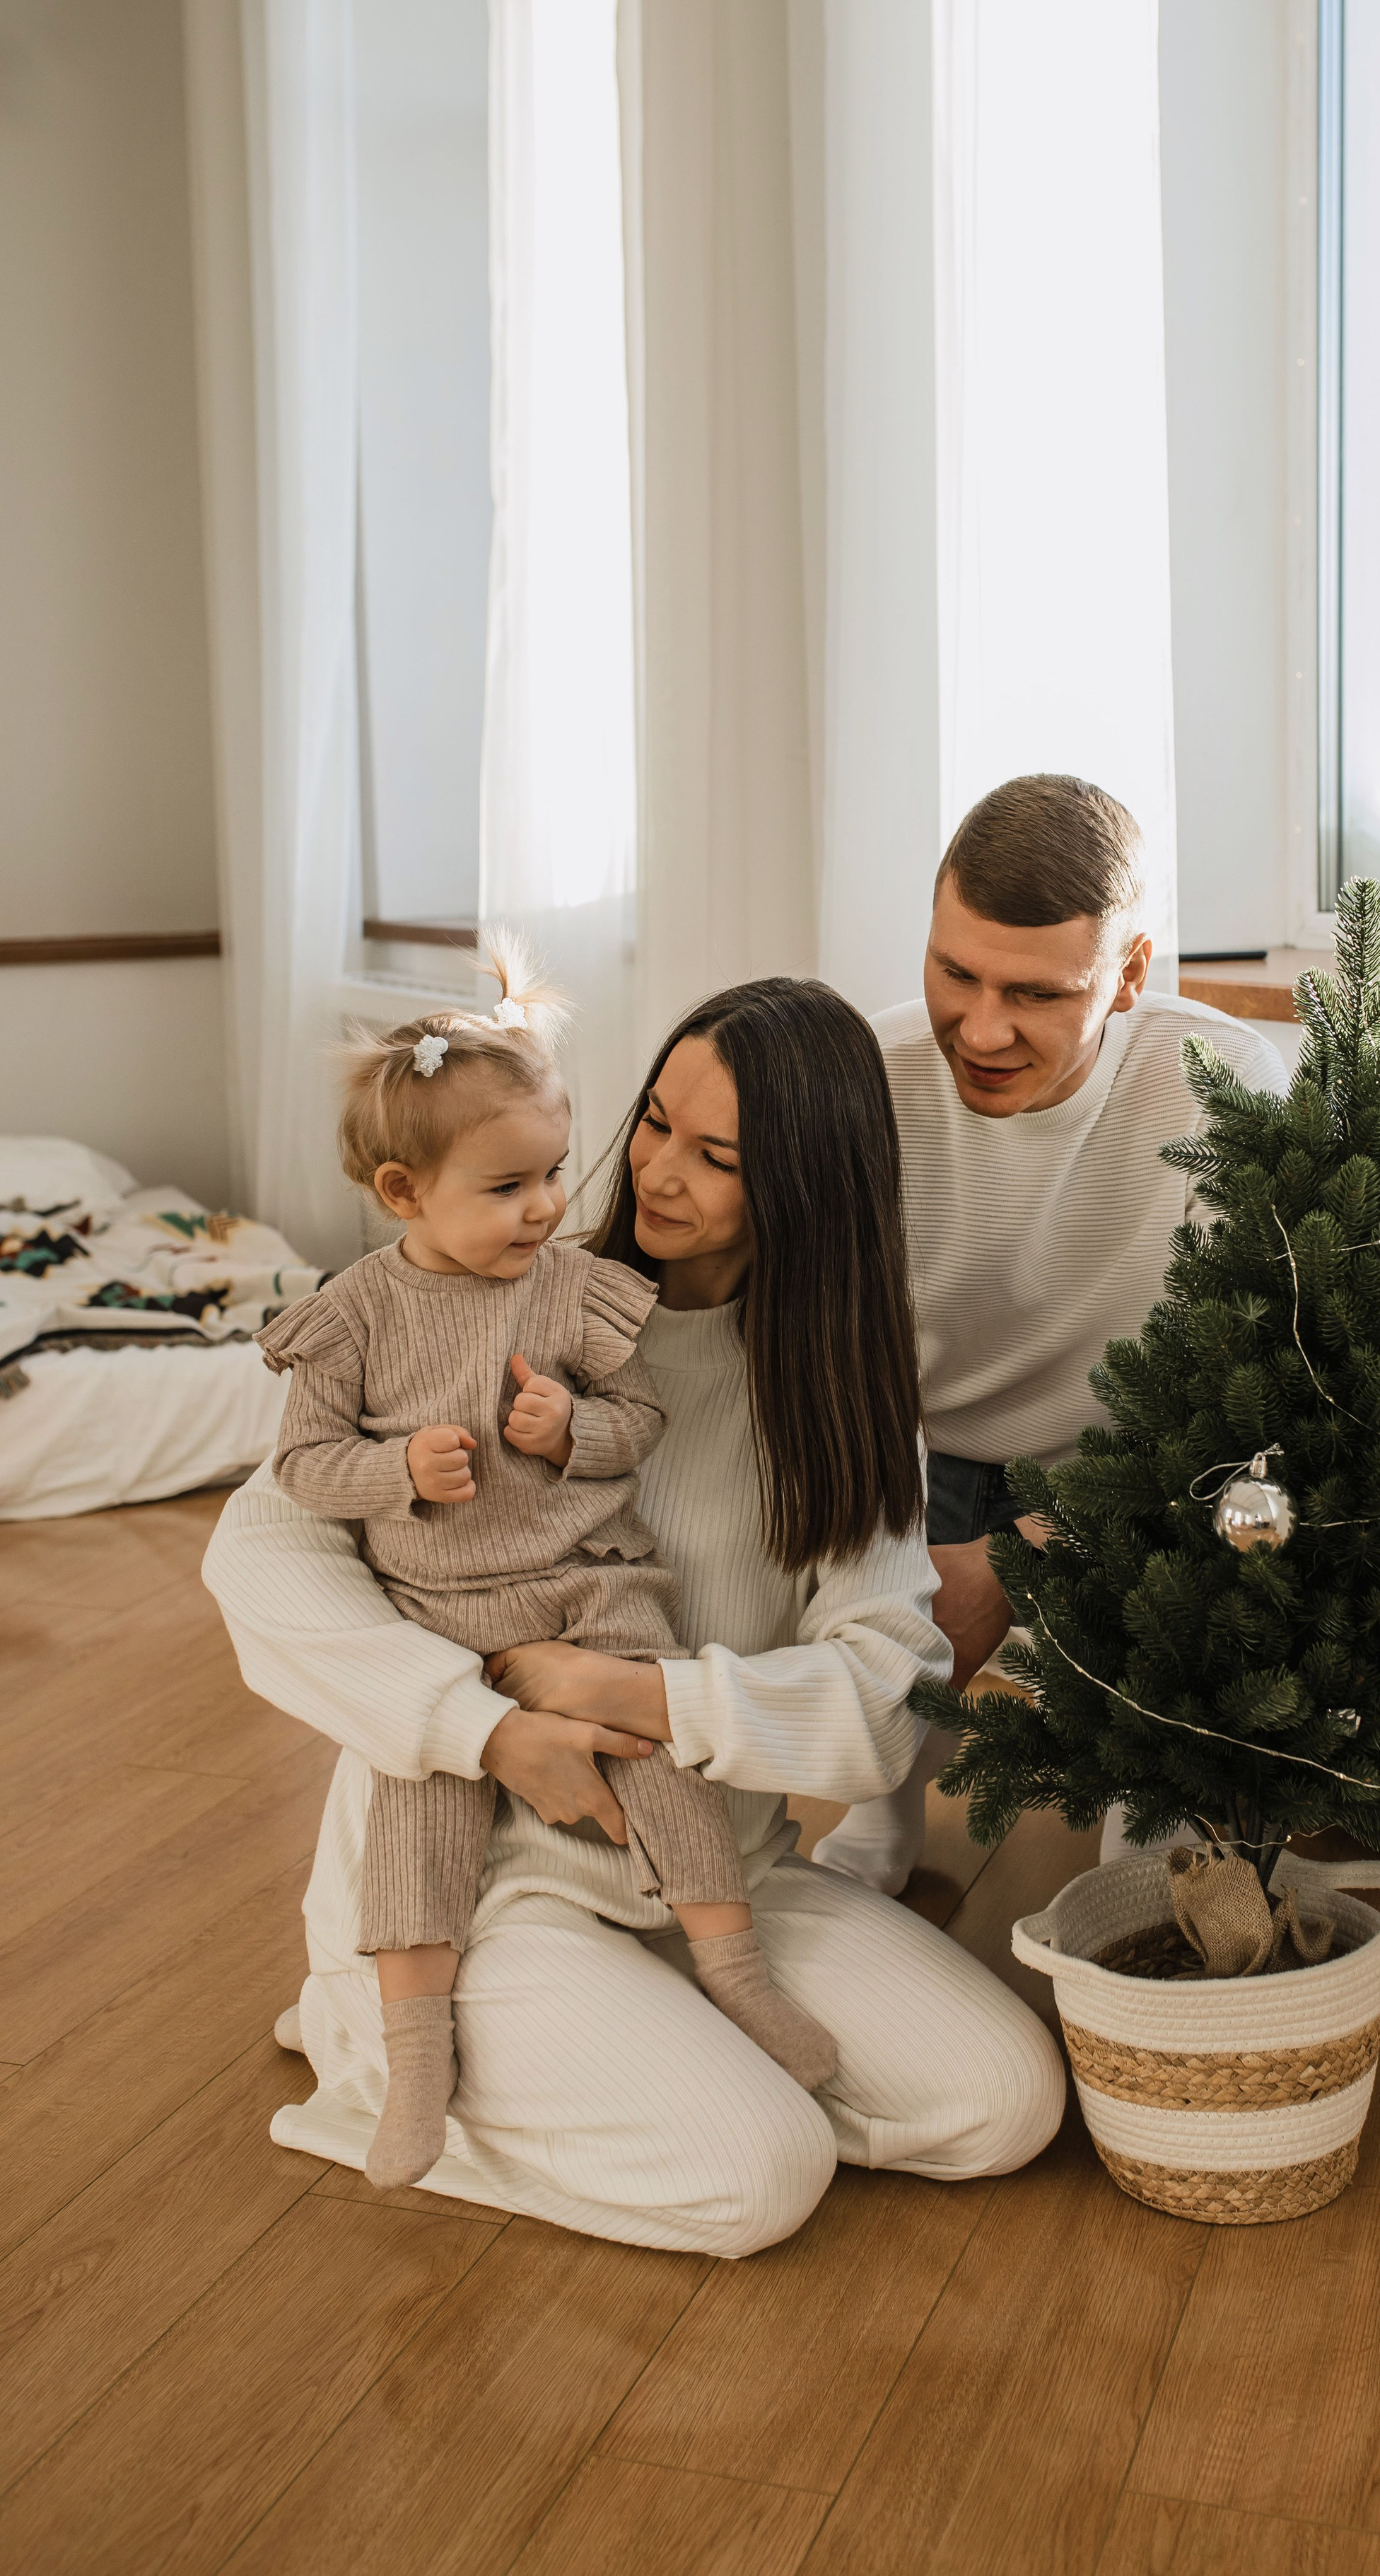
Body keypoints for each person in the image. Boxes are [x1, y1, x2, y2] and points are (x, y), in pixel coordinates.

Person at [204, 977, 1065, 2256]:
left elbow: (887, 1695)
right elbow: (258, 1558)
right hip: (483, 1887)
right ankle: (375, 2041)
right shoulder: (502, 1300)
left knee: (1006, 2106)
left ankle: (649, 2042)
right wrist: (484, 1728)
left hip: (723, 1873)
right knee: (760, 2180)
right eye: (656, 1122)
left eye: (717, 1157)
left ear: (810, 1192)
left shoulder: (839, 1394)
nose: (657, 1174)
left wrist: (632, 1694)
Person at [257, 952, 834, 2193]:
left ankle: (731, 1975)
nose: (548, 1206)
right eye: (510, 1184)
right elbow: (303, 1470)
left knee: (662, 1750)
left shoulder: (576, 1292)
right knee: (421, 1814)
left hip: (584, 1588)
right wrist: (398, 1472)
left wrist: (570, 1433)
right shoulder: (355, 1317)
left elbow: (638, 1426)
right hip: (443, 1619)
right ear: (405, 1192)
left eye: (556, 1173)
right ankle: (411, 2059)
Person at [812, 776, 1287, 1896]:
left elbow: (1241, 1395)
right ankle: (878, 1814)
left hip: (1132, 1467)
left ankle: (1145, 1866)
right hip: (918, 1453)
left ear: (1127, 976)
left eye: (1036, 993)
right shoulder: (868, 1076)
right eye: (954, 972)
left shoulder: (1219, 1083)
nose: (981, 1030)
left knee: (1240, 1520)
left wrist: (1022, 1553)